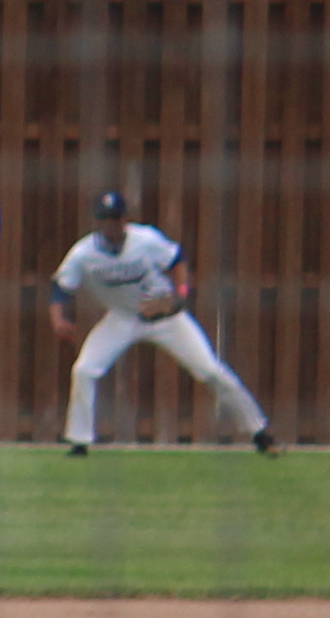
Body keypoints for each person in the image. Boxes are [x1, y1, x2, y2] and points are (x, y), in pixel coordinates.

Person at [43, 185, 273, 456]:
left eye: (116, 218)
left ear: (125, 219)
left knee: (210, 370)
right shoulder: (83, 254)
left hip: (164, 316)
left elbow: (177, 260)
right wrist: (58, 320)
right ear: (98, 222)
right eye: (105, 219)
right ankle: (79, 442)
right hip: (122, 318)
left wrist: (181, 294)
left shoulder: (146, 239)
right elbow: (61, 286)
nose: (111, 225)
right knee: (84, 370)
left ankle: (259, 431)